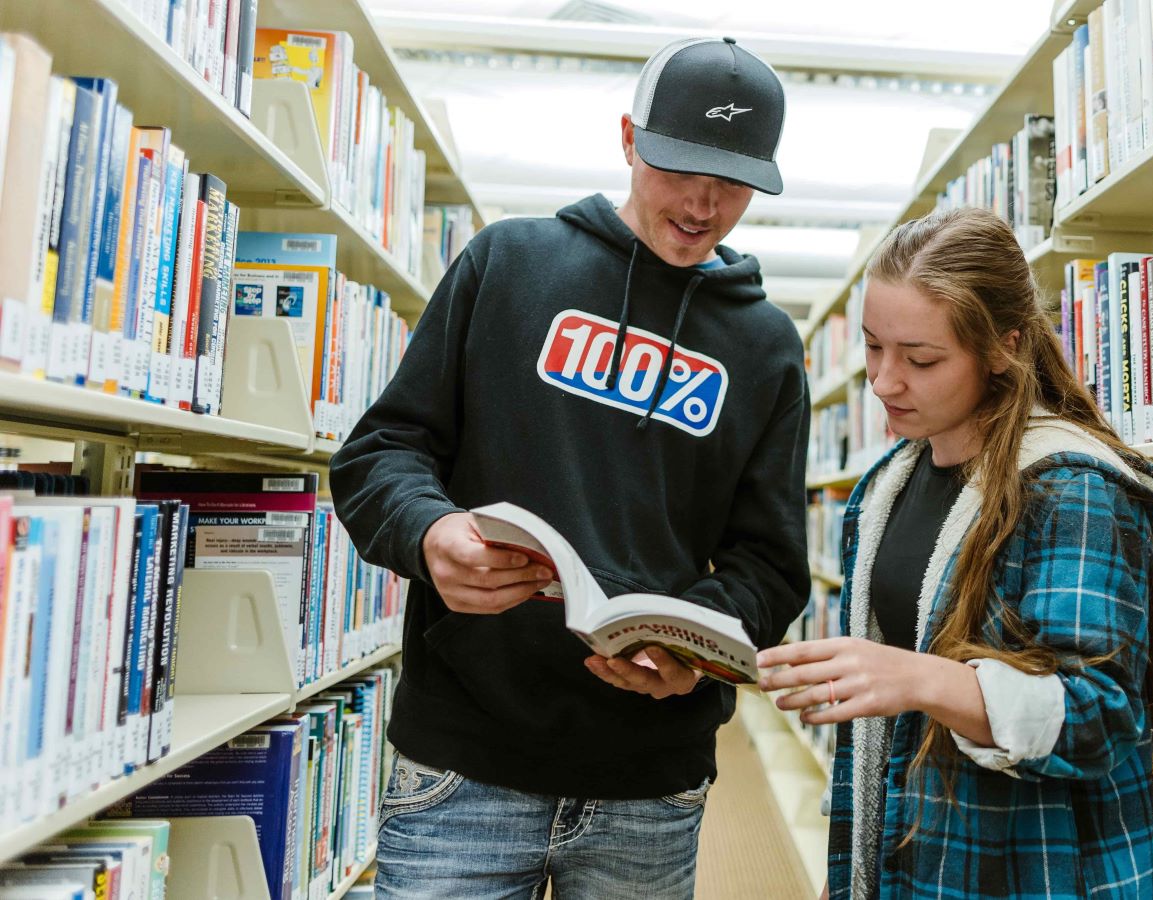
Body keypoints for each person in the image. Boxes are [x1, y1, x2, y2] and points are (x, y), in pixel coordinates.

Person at [330, 37, 809, 899]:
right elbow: (381, 452)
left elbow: (770, 566)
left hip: (649, 783)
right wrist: (430, 532)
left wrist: (697, 644)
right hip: (463, 765)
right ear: (629, 139)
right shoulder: (506, 263)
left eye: (734, 181)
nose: (704, 204)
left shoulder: (767, 347)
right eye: (679, 167)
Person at [759, 208, 1153, 899]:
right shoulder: (887, 485)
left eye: (921, 359)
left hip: (1035, 871)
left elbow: (1102, 715)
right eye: (871, 348)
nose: (885, 382)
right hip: (915, 861)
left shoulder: (1073, 488)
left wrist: (921, 680)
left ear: (1001, 347)